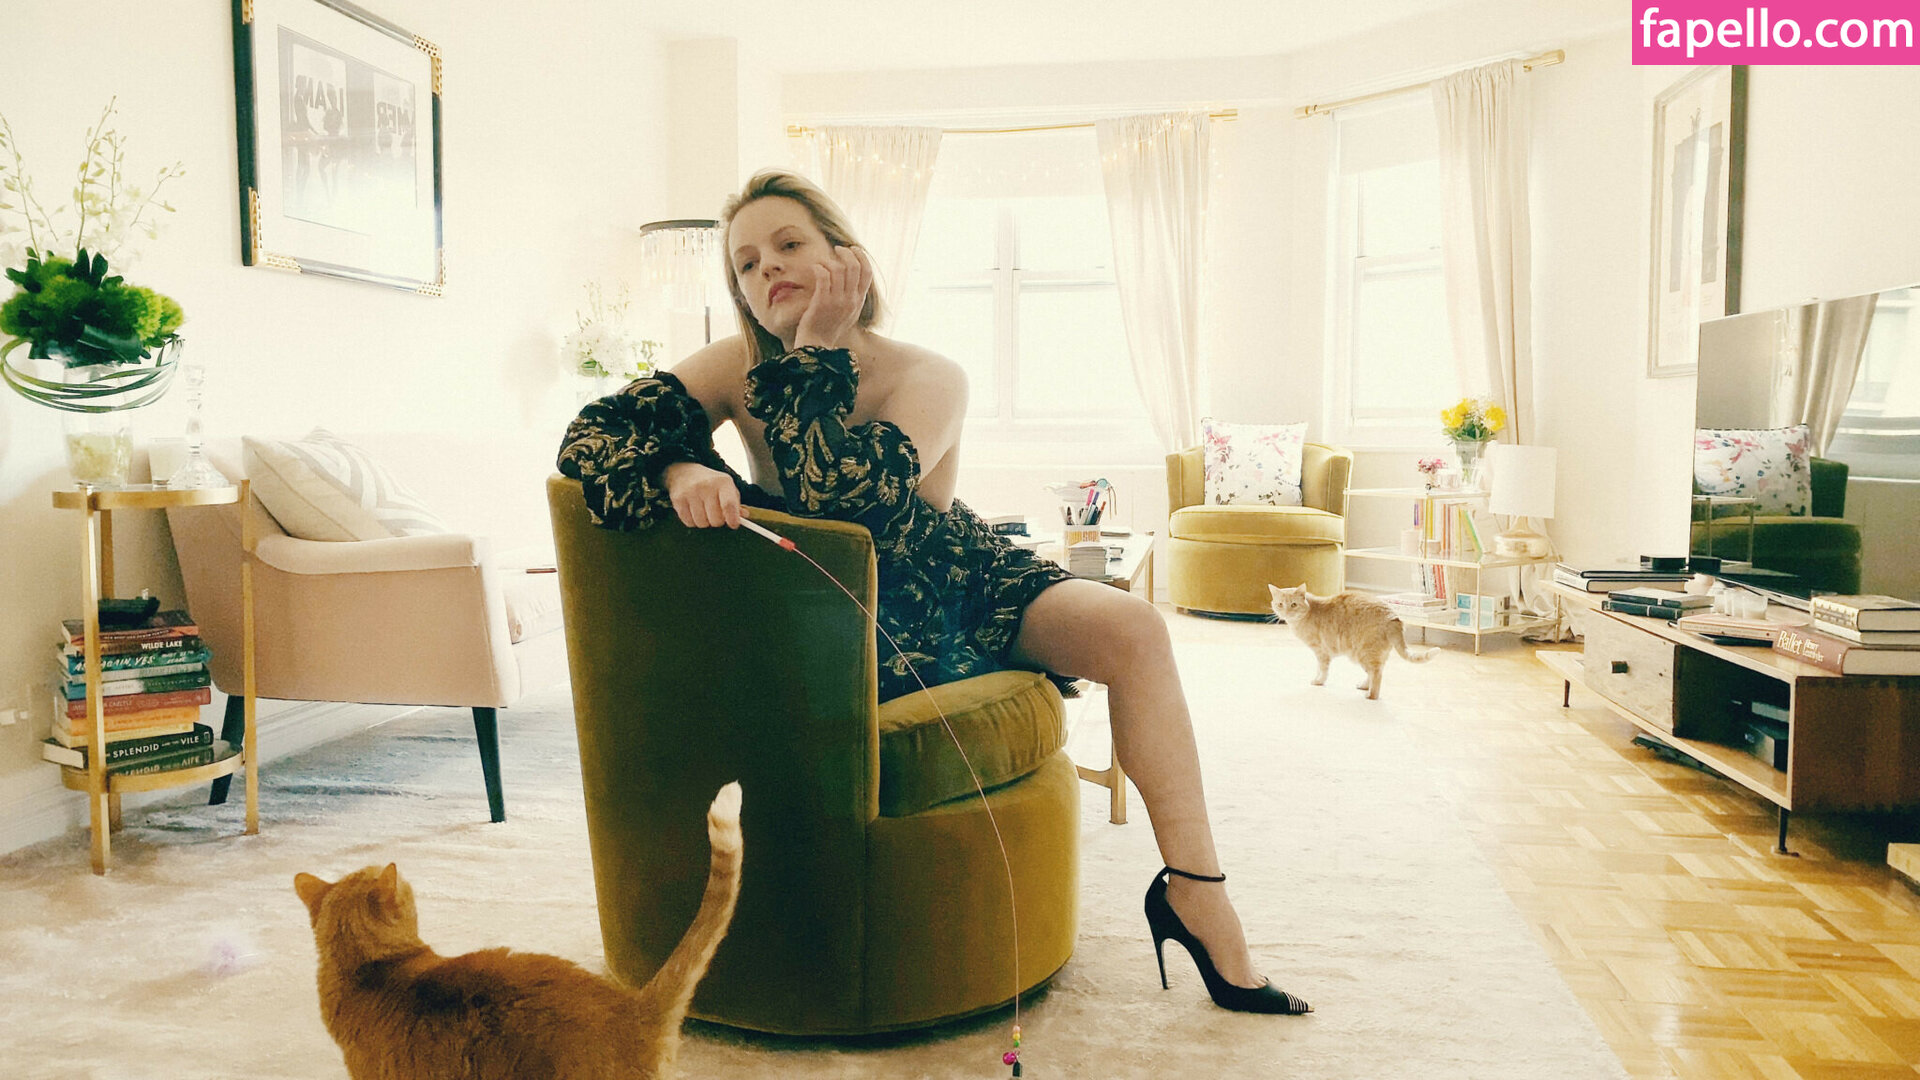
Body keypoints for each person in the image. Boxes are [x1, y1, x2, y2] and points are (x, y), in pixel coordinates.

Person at [556, 169, 1309, 1016]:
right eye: (746, 263)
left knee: (1135, 630)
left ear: (847, 257)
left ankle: (1197, 892)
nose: (767, 268)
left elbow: (851, 500)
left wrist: (818, 347)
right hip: (827, 603)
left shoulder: (931, 374)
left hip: (954, 577)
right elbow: (593, 432)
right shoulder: (737, 364)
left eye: (789, 244)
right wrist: (677, 464)